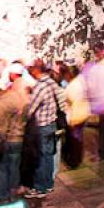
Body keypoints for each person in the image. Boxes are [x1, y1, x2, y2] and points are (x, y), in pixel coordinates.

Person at [0, 64, 29, 202]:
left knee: (1, 167)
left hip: (7, 138)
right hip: (19, 138)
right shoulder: (24, 98)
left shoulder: (5, 100)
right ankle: (12, 194)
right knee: (14, 167)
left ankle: (1, 195)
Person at [24, 59, 66, 199]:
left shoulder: (40, 86)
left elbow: (30, 109)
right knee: (48, 156)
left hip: (42, 126)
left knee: (41, 157)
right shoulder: (51, 82)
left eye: (32, 69)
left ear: (37, 70)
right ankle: (48, 185)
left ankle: (39, 188)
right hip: (51, 124)